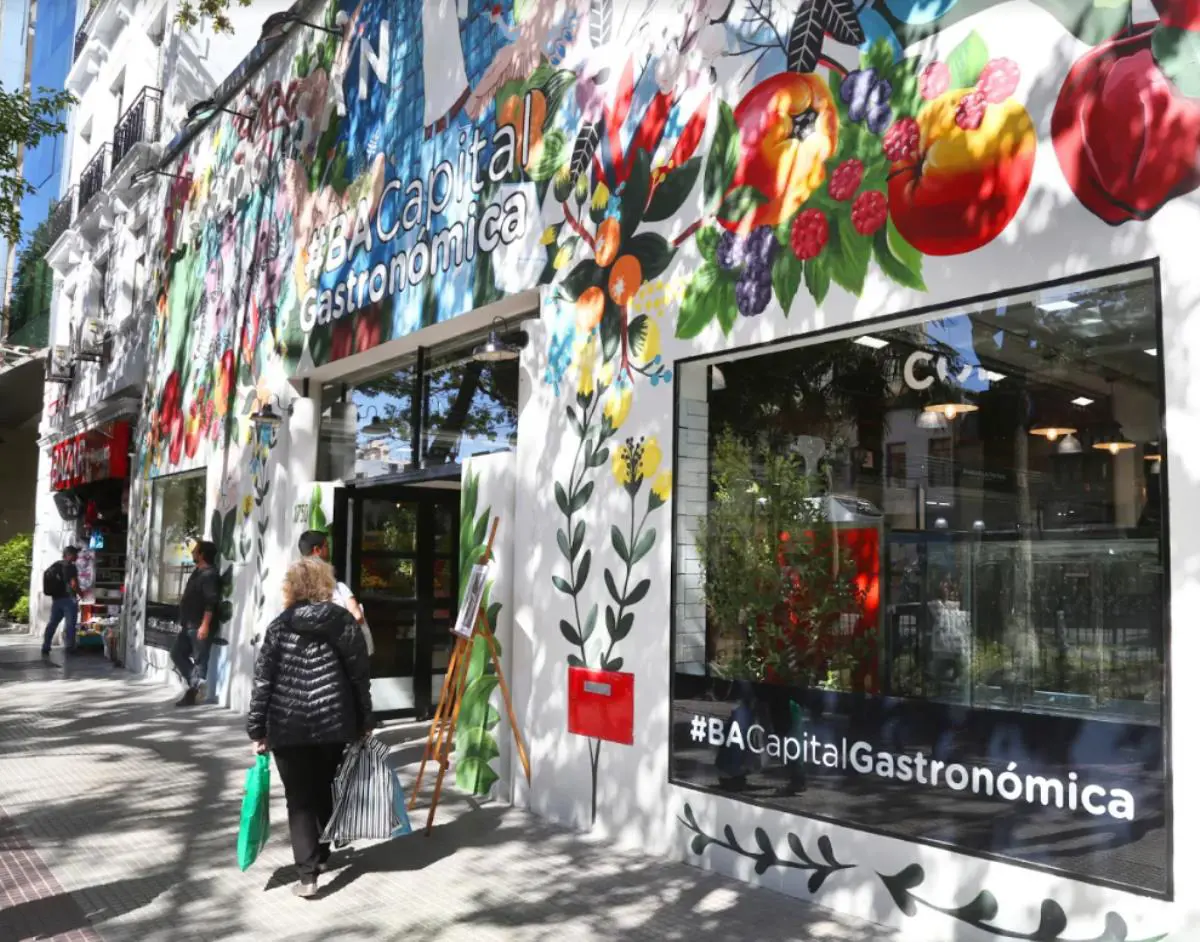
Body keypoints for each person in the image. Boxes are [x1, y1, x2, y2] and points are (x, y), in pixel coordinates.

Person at [247, 557, 373, 898]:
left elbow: (263, 682)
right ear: (325, 585)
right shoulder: (343, 622)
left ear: (291, 587)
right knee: (325, 787)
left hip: (288, 725)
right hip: (334, 720)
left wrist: (257, 728)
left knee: (298, 799)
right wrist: (365, 719)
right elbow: (360, 675)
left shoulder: (279, 626)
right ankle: (321, 854)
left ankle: (308, 875)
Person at [297, 530, 373, 656]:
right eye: (327, 546)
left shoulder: (296, 591)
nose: (329, 550)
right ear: (317, 550)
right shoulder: (339, 589)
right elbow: (357, 616)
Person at [170, 540, 221, 707]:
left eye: (196, 551)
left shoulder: (210, 575)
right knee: (177, 653)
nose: (193, 554)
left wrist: (205, 624)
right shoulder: (198, 572)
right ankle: (197, 683)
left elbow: (210, 603)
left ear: (202, 555)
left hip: (199, 625)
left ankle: (193, 694)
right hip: (188, 624)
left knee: (200, 660)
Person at [41, 546, 81, 658]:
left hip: (56, 600)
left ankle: (46, 646)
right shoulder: (71, 567)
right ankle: (70, 647)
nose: (77, 557)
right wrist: (81, 594)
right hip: (69, 600)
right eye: (75, 554)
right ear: (69, 555)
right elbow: (74, 584)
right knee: (70, 625)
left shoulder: (55, 565)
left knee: (52, 623)